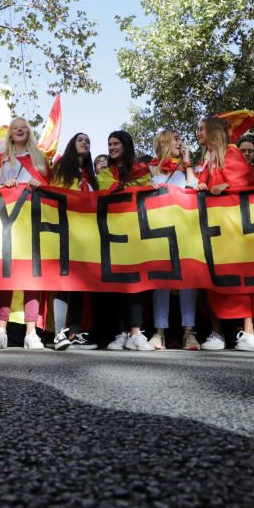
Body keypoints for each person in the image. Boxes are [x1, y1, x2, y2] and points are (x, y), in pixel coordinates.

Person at [194, 116, 254, 352]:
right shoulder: (206, 160)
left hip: (234, 227)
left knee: (241, 279)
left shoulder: (232, 153)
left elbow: (247, 182)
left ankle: (248, 333)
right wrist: (202, 186)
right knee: (210, 279)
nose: (197, 132)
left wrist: (226, 188)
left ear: (213, 131)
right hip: (212, 228)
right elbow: (201, 185)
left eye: (201, 128)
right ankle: (217, 333)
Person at [0, 117, 51, 349]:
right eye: (15, 128)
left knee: (31, 274)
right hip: (8, 221)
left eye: (24, 127)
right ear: (10, 134)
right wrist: (4, 185)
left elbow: (50, 187)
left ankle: (31, 333)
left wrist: (39, 183)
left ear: (29, 133)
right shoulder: (1, 159)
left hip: (32, 221)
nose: (20, 130)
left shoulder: (39, 159)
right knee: (7, 273)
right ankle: (1, 331)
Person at [97, 130, 156, 351]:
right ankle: (120, 333)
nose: (111, 147)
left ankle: (136, 333)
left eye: (116, 143)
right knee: (117, 285)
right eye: (109, 143)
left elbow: (146, 190)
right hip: (113, 234)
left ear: (126, 145)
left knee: (136, 284)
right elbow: (105, 191)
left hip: (136, 233)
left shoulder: (141, 170)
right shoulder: (104, 173)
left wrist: (124, 188)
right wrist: (128, 188)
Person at [147, 130, 200, 350]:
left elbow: (194, 188)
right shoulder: (150, 169)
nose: (181, 142)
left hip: (186, 231)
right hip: (159, 231)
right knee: (161, 282)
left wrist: (187, 164)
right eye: (176, 138)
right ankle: (159, 332)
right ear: (163, 142)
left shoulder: (188, 169)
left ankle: (189, 332)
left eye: (181, 139)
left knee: (188, 280)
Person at [49, 132, 100, 350]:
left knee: (80, 285)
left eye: (88, 141)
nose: (85, 143)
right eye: (80, 140)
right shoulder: (62, 170)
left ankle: (75, 334)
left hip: (87, 236)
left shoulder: (92, 176)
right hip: (66, 231)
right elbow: (55, 195)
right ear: (72, 144)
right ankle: (59, 333)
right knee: (64, 282)